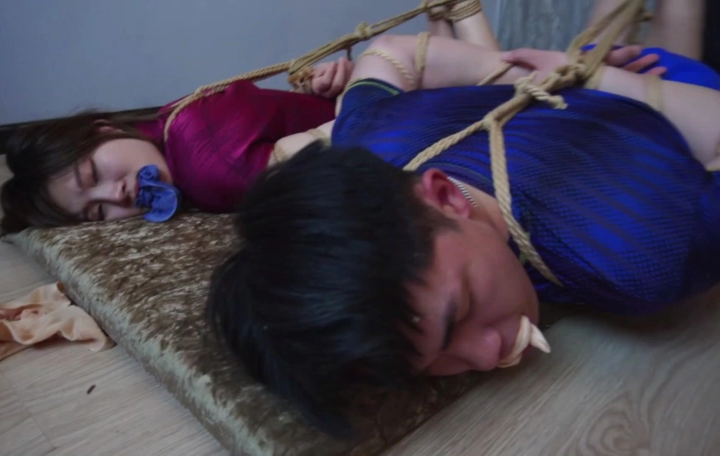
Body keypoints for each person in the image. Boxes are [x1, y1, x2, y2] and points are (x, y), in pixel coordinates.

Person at [205, 0, 719, 439]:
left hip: (676, 103)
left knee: (673, 26)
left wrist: (586, 77)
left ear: (446, 197)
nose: (487, 354)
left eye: (463, 308)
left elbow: (390, 54)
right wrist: (562, 74)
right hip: (593, 98)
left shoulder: (638, 257)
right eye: (433, 364)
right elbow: (389, 58)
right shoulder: (366, 142)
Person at [0, 0, 663, 236]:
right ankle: (464, 25)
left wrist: (347, 96)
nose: (119, 195)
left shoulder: (203, 164)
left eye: (95, 174)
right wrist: (333, 86)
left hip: (391, 111)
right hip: (371, 94)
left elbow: (332, 165)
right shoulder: (174, 117)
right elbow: (291, 122)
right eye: (97, 212)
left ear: (104, 130)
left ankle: (570, 72)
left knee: (535, 104)